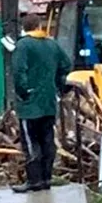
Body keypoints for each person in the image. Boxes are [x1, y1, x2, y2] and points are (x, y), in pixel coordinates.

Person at [12, 13, 72, 193]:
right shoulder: (52, 44)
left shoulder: (23, 46)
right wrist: (59, 85)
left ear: (24, 28)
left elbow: (18, 71)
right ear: (39, 26)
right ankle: (47, 178)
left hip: (30, 105)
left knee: (30, 142)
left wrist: (23, 92)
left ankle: (34, 181)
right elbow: (66, 65)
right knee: (47, 141)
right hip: (49, 103)